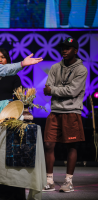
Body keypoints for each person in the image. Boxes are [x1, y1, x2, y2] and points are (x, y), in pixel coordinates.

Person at [42, 37, 87, 192]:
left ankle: (68, 181)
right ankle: (49, 181)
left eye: (68, 48)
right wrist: (54, 90)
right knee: (48, 144)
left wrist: (54, 90)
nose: (64, 51)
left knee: (71, 146)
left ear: (75, 50)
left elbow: (72, 91)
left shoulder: (81, 70)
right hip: (55, 111)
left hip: (72, 112)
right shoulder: (55, 67)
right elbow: (47, 88)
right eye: (63, 48)